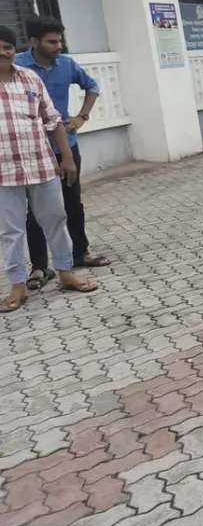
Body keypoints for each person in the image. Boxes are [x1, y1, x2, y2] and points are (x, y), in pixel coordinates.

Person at [0, 25, 98, 312]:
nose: (3, 52)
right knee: (10, 231)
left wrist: (66, 158)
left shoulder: (29, 78)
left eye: (7, 47)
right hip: (4, 175)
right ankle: (17, 286)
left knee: (56, 219)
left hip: (42, 166)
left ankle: (66, 272)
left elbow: (52, 120)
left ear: (13, 50)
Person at [15, 16, 110, 290]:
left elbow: (92, 87)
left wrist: (82, 117)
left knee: (72, 203)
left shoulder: (67, 64)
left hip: (65, 147)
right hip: (31, 150)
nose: (59, 46)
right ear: (34, 41)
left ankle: (80, 253)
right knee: (33, 210)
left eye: (60, 40)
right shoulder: (18, 67)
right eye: (51, 41)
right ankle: (39, 267)